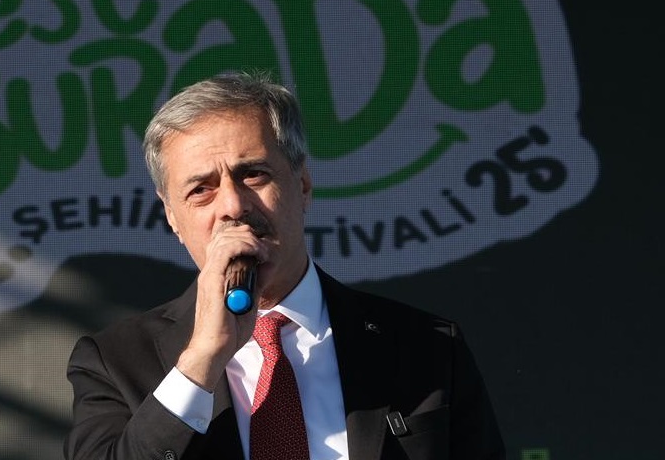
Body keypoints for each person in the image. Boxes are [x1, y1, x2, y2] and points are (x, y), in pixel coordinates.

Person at [64, 71, 506, 460]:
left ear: (303, 184)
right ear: (173, 218)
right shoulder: (114, 362)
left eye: (253, 174)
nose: (233, 205)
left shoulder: (425, 346)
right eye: (201, 189)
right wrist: (201, 361)